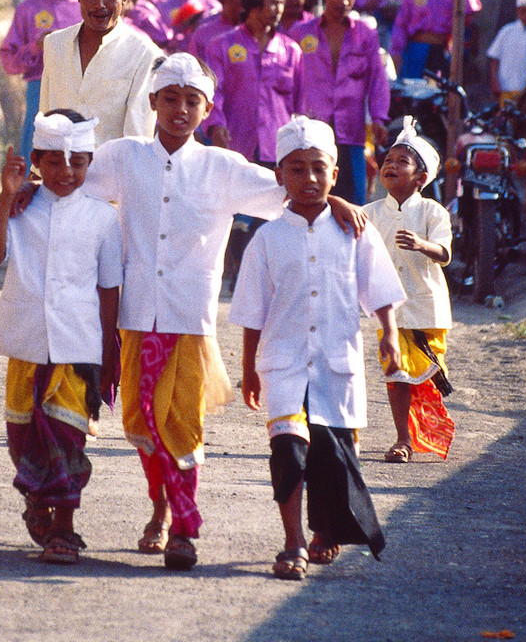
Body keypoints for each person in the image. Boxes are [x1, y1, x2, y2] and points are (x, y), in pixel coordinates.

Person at [78, 53, 366, 571]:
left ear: (208, 108)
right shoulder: (124, 157)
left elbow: (292, 188)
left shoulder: (220, 167)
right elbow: (71, 182)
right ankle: (160, 506)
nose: (180, 110)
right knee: (141, 423)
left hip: (190, 319)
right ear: (152, 103)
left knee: (182, 424)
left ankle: (184, 529)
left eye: (192, 101)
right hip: (135, 315)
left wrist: (337, 203)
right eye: (170, 99)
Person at [230, 116, 405, 580]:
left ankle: (326, 531)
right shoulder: (266, 239)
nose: (308, 179)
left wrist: (388, 332)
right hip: (283, 366)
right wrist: (248, 368)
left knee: (333, 455)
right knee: (287, 451)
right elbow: (251, 311)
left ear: (334, 173)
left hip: (336, 361)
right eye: (296, 169)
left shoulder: (354, 231)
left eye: (318, 168)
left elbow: (380, 290)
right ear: (279, 176)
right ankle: (293, 542)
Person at [0, 111, 122, 564]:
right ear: (36, 160)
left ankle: (65, 527)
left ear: (90, 163)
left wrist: (110, 349)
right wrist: (6, 197)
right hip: (26, 342)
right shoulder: (20, 207)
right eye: (56, 162)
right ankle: (37, 502)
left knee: (67, 435)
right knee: (23, 437)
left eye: (78, 163)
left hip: (78, 347)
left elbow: (108, 289)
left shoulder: (103, 217)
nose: (67, 173)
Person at [364, 117, 454, 464]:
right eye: (388, 160)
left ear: (420, 178)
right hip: (387, 310)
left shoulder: (433, 212)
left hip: (426, 308)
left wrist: (421, 244)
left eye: (401, 161)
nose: (390, 165)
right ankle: (403, 438)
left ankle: (425, 432)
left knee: (425, 376)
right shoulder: (369, 213)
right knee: (395, 372)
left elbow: (444, 253)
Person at [290, 0, 390, 205]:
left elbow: (377, 78)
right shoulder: (300, 34)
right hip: (311, 127)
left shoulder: (365, 34)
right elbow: (289, 81)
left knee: (354, 200)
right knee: (311, 199)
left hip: (351, 129)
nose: (344, 2)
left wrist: (379, 117)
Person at [40, 0, 161, 145]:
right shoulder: (55, 44)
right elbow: (45, 117)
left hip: (112, 174)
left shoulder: (144, 55)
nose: (100, 5)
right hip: (58, 173)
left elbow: (137, 139)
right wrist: (38, 172)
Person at [0, 0, 84, 159]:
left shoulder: (87, 9)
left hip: (80, 94)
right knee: (37, 162)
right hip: (40, 95)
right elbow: (9, 62)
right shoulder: (30, 9)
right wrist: (36, 47)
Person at [205, 0, 304, 163]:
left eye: (281, 3)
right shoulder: (221, 46)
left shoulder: (291, 50)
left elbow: (301, 102)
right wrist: (216, 126)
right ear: (255, 6)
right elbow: (213, 91)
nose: (279, 10)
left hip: (278, 149)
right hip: (235, 145)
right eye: (273, 3)